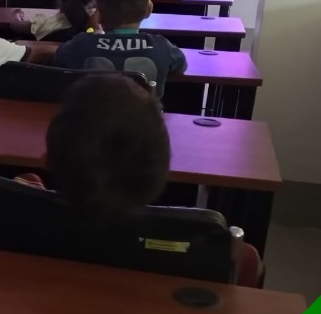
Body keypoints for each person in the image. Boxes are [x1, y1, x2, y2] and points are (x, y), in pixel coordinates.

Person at [33, 74, 263, 285]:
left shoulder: (22, 214)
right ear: (163, 169)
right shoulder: (231, 256)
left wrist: (27, 188)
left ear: (46, 159)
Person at [54, 0, 187, 98]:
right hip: (144, 112)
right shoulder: (162, 47)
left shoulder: (81, 44)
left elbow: (59, 58)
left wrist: (94, 32)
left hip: (92, 112)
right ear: (149, 10)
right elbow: (181, 66)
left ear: (99, 13)